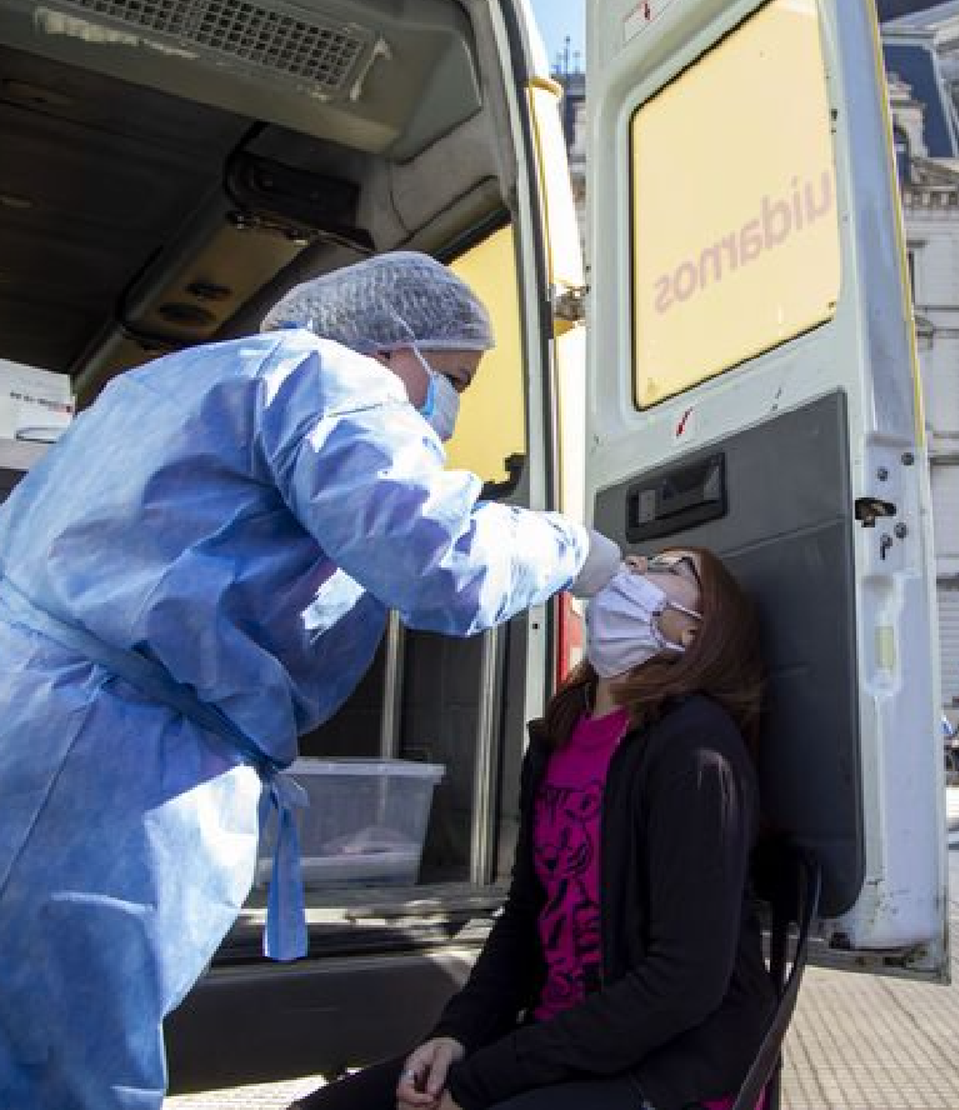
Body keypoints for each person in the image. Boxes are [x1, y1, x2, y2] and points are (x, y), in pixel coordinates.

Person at [0, 252, 621, 1109]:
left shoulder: (160, 387)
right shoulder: (333, 376)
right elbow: (438, 561)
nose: (446, 411)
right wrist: (572, 548)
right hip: (107, 763)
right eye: (453, 379)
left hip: (35, 712)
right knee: (66, 1064)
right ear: (395, 347)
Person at [292, 548, 776, 1110]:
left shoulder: (695, 751)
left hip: (673, 1069)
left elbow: (683, 983)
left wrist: (481, 1083)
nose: (637, 566)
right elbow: (526, 916)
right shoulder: (557, 739)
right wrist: (457, 1035)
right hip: (560, 1047)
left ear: (694, 635)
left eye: (672, 567)